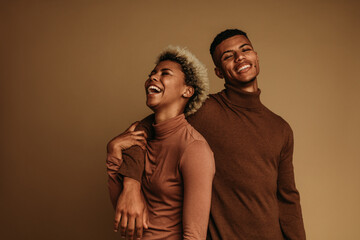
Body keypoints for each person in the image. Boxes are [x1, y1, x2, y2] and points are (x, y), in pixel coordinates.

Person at [108, 29, 306, 239]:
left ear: (256, 56)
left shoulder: (281, 128)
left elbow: (288, 198)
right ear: (219, 72)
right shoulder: (205, 110)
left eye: (245, 49)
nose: (240, 57)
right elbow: (142, 130)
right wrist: (131, 185)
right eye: (228, 56)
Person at [106, 46, 215, 240]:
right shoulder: (137, 138)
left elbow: (194, 235)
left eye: (165, 73)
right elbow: (124, 213)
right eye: (152, 73)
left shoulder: (194, 148)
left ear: (187, 91)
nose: (153, 78)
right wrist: (113, 152)